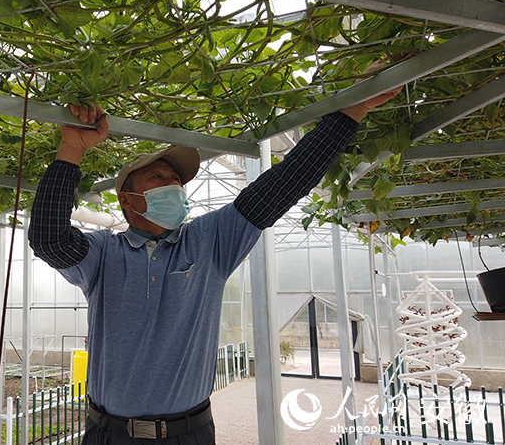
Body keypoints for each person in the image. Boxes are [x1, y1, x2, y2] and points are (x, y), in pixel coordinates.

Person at [28, 75, 402, 444]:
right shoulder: (103, 254)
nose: (173, 186)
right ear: (126, 200)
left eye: (177, 182)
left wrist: (352, 111)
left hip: (187, 434)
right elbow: (48, 239)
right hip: (108, 434)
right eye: (158, 177)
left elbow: (284, 184)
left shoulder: (208, 242)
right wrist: (72, 148)